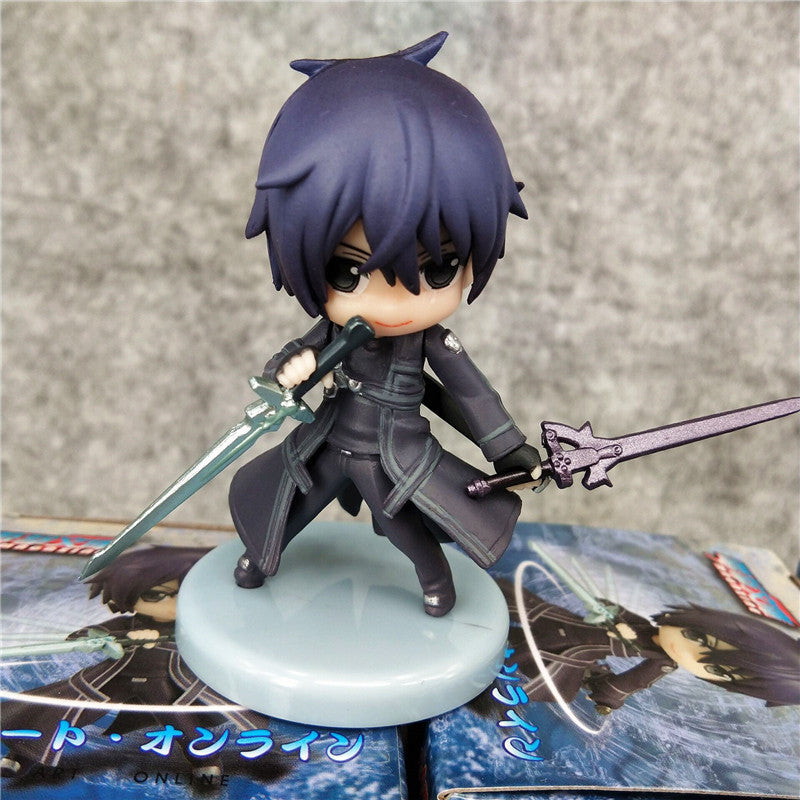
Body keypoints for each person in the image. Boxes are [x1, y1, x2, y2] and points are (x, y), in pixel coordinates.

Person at [229, 32, 543, 617]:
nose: (394, 301)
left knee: (398, 519)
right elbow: (300, 356)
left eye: (438, 267)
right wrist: (289, 371)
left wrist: (507, 447)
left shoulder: (430, 342)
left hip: (393, 452)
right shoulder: (336, 335)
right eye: (347, 272)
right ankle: (260, 555)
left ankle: (435, 579)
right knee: (294, 499)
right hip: (330, 438)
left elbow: (468, 394)